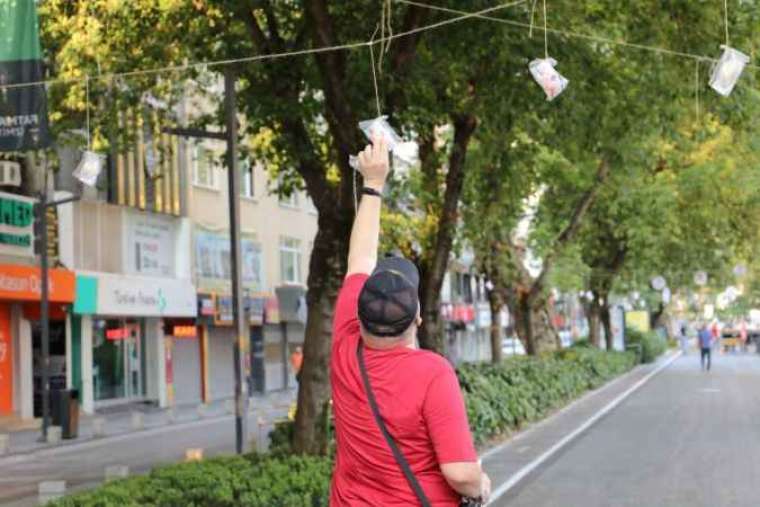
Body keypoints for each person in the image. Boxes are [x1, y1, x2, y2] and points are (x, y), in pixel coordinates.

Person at [330, 136, 490, 506]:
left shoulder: (344, 345)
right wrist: (480, 483)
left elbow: (360, 258)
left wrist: (372, 185)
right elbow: (459, 473)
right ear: (417, 317)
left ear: (358, 314)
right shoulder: (432, 373)